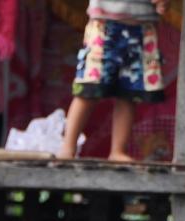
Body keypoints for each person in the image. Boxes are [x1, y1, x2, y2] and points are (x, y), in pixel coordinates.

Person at [58, 0, 167, 161]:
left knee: (129, 93)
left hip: (142, 27)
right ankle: (68, 148)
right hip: (105, 24)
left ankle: (118, 151)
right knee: (88, 88)